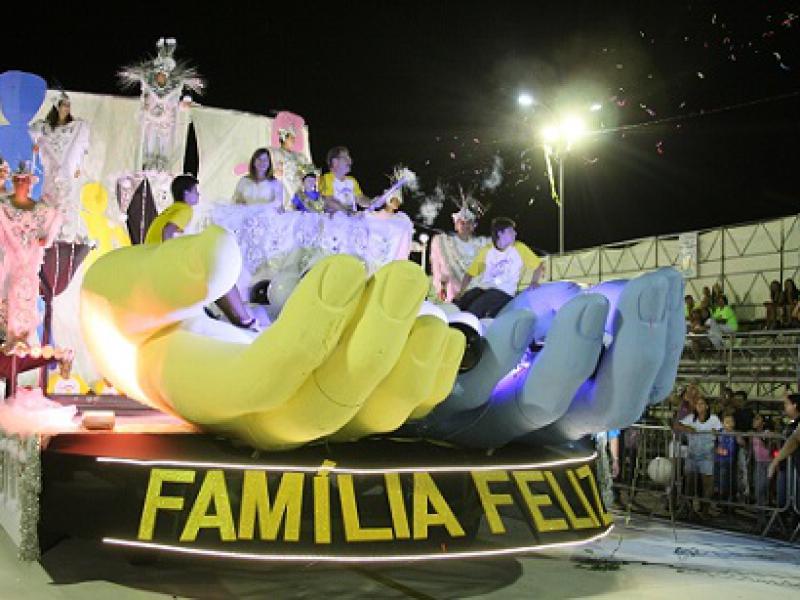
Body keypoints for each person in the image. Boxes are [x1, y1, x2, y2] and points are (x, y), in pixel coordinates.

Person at [145, 174, 257, 330]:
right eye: (195, 191)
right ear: (186, 193)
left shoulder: (168, 211)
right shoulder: (185, 210)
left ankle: (235, 318)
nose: (198, 195)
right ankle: (244, 319)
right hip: (165, 264)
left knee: (212, 277)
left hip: (151, 259)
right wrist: (168, 257)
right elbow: (168, 230)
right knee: (221, 275)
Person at [119, 38, 204, 172]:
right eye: (158, 75)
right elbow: (144, 101)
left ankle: (162, 169)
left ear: (167, 76)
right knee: (149, 145)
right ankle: (148, 167)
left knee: (164, 147)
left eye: (163, 75)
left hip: (166, 125)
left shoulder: (174, 90)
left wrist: (184, 104)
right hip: (151, 123)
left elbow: (177, 105)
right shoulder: (149, 88)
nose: (160, 77)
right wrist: (145, 107)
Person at [0, 166, 62, 347]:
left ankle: (21, 339)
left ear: (30, 184)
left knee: (26, 296)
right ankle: (9, 338)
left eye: (24, 180)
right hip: (9, 263)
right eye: (18, 180)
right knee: (8, 293)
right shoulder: (4, 208)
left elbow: (56, 216)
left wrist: (46, 238)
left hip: (29, 266)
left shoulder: (40, 211)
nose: (21, 184)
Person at [29, 91, 90, 243]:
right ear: (57, 107)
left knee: (66, 200)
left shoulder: (75, 127)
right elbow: (34, 134)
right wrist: (37, 144)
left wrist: (79, 165)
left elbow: (82, 147)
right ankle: (48, 233)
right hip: (51, 169)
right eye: (64, 105)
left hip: (67, 168)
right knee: (50, 199)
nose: (66, 109)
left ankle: (65, 235)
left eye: (68, 106)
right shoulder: (46, 128)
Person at [454, 217, 544, 318]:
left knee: (476, 308)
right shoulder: (487, 251)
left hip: (504, 292)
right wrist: (461, 292)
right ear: (500, 233)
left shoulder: (519, 248)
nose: (515, 234)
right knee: (462, 302)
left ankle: (470, 322)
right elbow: (469, 274)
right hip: (484, 289)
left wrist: (534, 281)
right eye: (511, 231)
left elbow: (538, 265)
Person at [673, 395, 722, 518]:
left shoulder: (714, 419)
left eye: (701, 404)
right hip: (692, 455)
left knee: (707, 484)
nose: (699, 406)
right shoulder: (690, 418)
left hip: (707, 455)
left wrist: (716, 434)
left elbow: (721, 431)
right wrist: (687, 428)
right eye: (697, 404)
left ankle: (705, 510)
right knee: (689, 482)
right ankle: (688, 508)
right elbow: (676, 425)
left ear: (707, 406)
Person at [430, 206, 490, 302]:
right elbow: (438, 268)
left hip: (477, 290)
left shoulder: (481, 244)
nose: (465, 226)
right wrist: (440, 287)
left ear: (474, 226)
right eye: (462, 223)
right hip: (454, 291)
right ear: (456, 225)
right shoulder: (445, 243)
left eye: (469, 223)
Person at [318, 146, 371, 213]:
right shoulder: (325, 179)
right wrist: (347, 211)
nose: (350, 161)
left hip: (350, 217)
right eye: (345, 157)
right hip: (334, 218)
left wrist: (372, 202)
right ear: (335, 162)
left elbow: (360, 198)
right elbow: (328, 201)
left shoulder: (352, 180)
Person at [271, 126, 314, 203]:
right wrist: (275, 172)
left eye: (294, 138)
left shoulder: (299, 156)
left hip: (298, 186)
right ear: (284, 139)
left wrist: (305, 173)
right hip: (285, 188)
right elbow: (273, 169)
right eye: (291, 138)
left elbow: (308, 169)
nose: (294, 140)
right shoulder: (276, 153)